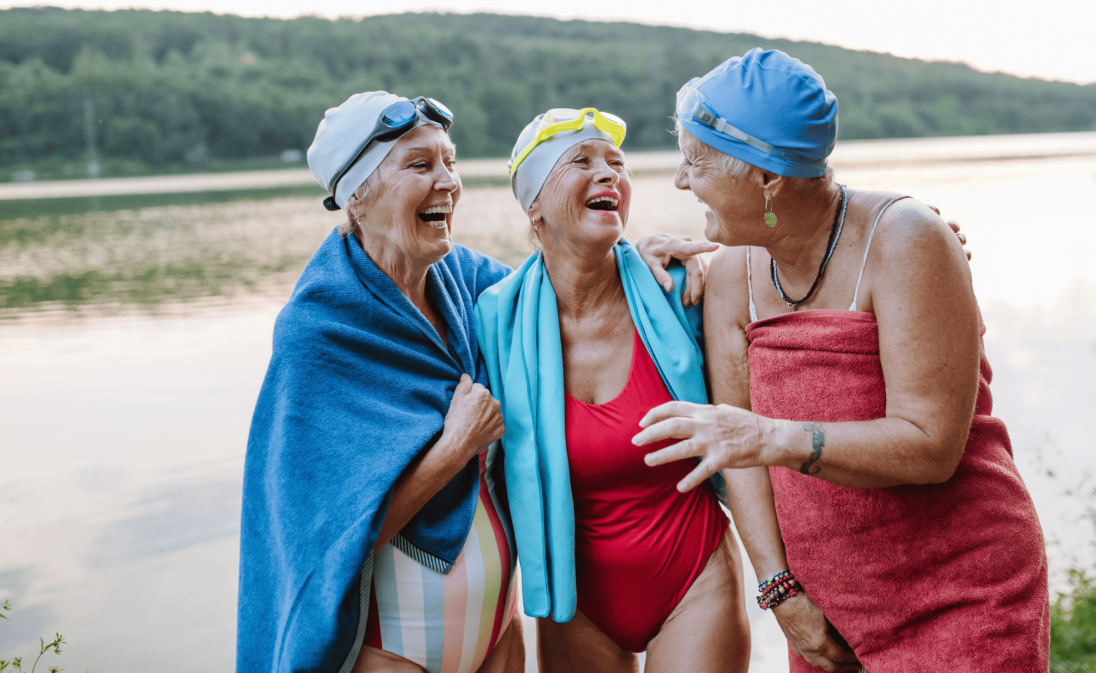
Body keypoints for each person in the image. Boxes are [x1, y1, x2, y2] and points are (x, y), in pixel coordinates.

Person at [237, 92, 702, 673]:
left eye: (450, 162)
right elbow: (325, 536)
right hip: (397, 642)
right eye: (419, 165)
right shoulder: (320, 332)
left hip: (497, 633)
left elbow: (571, 285)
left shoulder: (465, 280)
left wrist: (641, 259)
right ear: (357, 194)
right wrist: (456, 445)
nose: (448, 182)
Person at [633, 49, 1050, 672]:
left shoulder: (907, 239)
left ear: (765, 178)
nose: (680, 181)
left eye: (695, 161)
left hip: (963, 597)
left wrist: (769, 436)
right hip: (827, 615)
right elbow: (739, 456)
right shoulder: (729, 274)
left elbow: (932, 446)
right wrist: (780, 591)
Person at [474, 108, 750, 673]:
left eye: (617, 165)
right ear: (534, 205)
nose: (609, 175)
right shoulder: (496, 320)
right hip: (573, 600)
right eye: (581, 161)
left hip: (693, 578)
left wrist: (898, 232)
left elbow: (779, 287)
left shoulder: (675, 289)